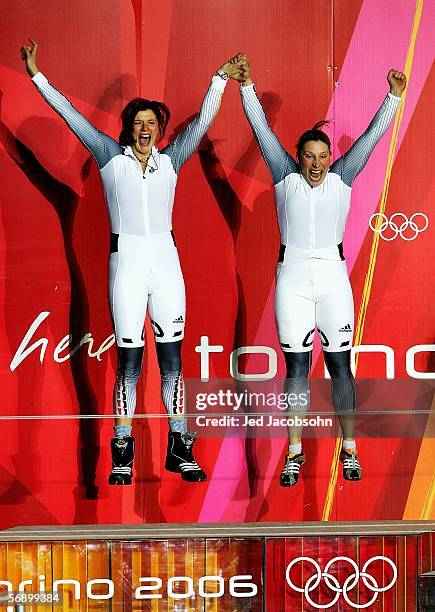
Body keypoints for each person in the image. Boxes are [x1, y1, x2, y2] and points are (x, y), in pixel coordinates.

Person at [20, 38, 243, 486]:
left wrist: (219, 79)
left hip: (167, 264)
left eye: (151, 123)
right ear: (128, 129)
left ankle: (180, 445)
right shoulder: (109, 157)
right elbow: (71, 116)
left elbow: (200, 125)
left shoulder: (171, 159)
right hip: (126, 266)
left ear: (158, 130)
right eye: (138, 122)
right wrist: (37, 76)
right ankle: (122, 447)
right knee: (129, 362)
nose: (145, 129)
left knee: (173, 360)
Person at [234, 53, 406, 485]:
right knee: (295, 369)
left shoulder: (342, 178)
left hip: (332, 278)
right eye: (307, 156)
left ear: (331, 158)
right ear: (297, 158)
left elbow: (369, 139)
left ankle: (349, 450)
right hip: (292, 279)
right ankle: (294, 452)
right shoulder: (283, 176)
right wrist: (246, 86)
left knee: (340, 367)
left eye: (322, 155)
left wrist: (393, 97)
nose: (315, 163)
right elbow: (262, 132)